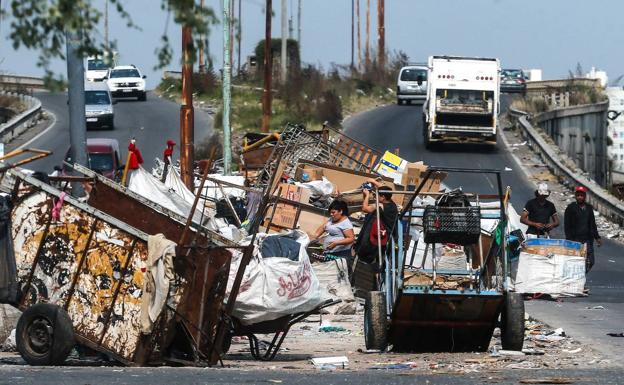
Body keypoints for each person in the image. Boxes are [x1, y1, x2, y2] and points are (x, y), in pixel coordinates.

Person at [353, 178, 399, 263]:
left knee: (369, 251)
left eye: (377, 195)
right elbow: (385, 190)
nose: (375, 197)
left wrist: (366, 195)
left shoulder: (381, 205)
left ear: (383, 197)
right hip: (387, 234)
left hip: (378, 235)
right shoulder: (392, 204)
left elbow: (365, 208)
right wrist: (374, 182)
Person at [564, 186, 602, 273]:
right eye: (578, 195)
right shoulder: (571, 208)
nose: (580, 197)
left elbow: (592, 224)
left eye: (582, 195)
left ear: (585, 196)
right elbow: (567, 225)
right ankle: (578, 279)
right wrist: (569, 239)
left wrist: (597, 237)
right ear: (575, 196)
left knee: (591, 261)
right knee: (577, 261)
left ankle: (581, 276)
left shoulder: (589, 208)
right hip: (575, 239)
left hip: (588, 239)